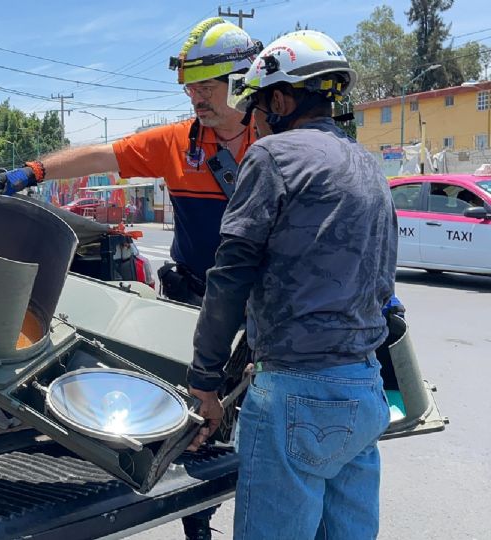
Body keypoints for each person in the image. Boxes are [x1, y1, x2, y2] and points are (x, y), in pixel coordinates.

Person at [0, 17, 262, 540]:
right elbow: (105, 155)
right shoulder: (179, 143)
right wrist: (34, 171)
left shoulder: (276, 143)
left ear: (243, 81)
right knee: (192, 423)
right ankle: (197, 523)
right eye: (190, 88)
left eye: (207, 86)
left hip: (258, 310)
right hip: (195, 303)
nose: (196, 98)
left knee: (254, 428)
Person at [186, 31, 396, 539]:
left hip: (296, 395)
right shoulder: (368, 165)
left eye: (256, 106)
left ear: (280, 100)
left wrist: (205, 380)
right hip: (364, 388)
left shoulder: (272, 157)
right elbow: (383, 281)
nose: (253, 120)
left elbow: (231, 275)